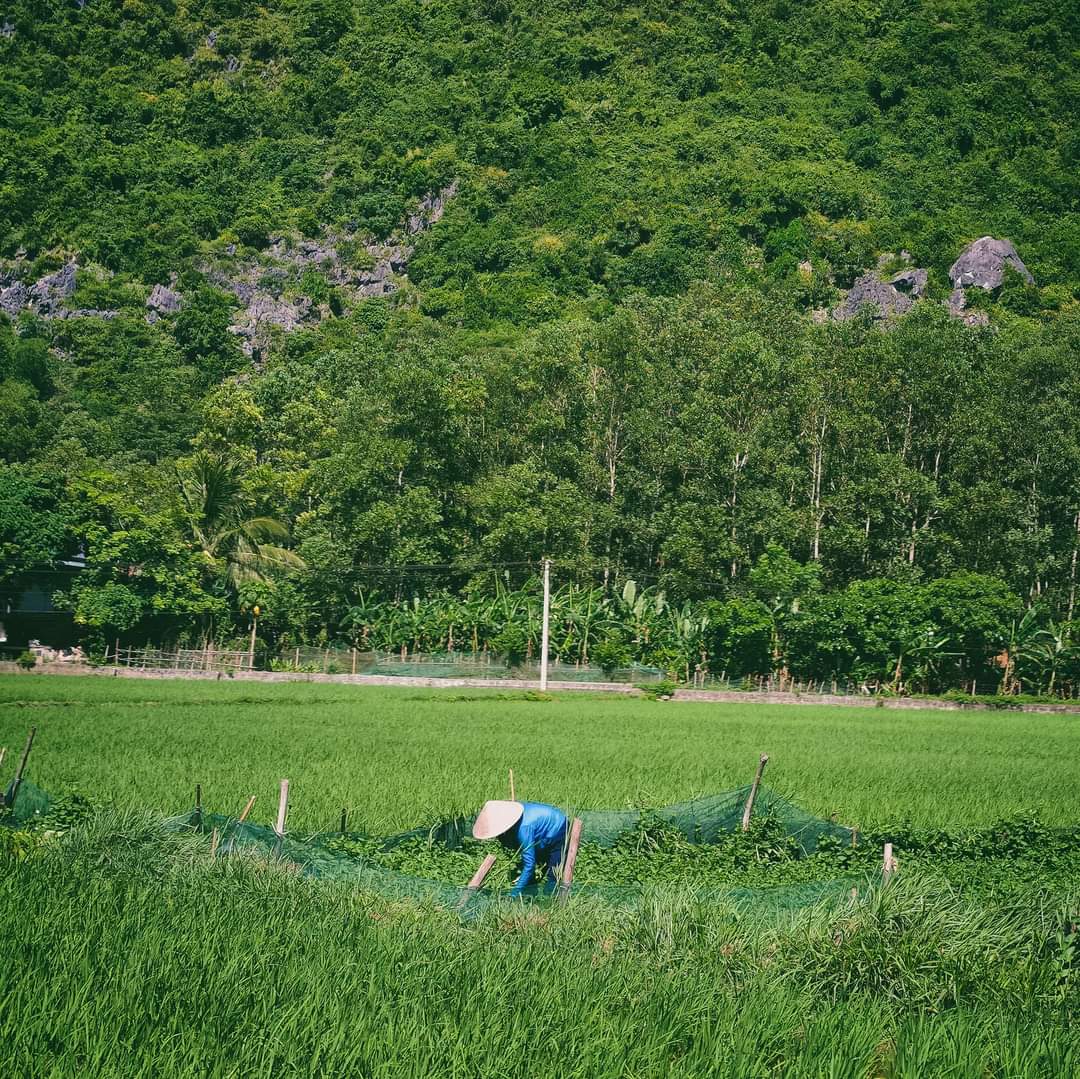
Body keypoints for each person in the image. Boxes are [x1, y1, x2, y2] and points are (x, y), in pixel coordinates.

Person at [472, 799, 567, 897]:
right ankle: (530, 895)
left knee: (553, 873)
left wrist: (514, 893)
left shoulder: (524, 828)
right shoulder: (511, 820)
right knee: (529, 866)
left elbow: (529, 865)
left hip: (559, 828)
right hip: (541, 831)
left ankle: (550, 900)